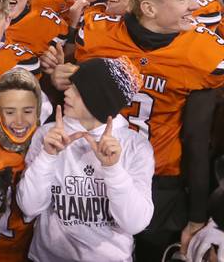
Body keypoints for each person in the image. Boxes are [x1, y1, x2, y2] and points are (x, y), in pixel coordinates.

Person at [71, 0, 224, 259]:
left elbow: (197, 138)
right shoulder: (96, 33)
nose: (194, 4)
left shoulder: (203, 51)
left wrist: (196, 214)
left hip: (160, 178)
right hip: (95, 167)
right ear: (150, 9)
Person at [17, 57, 155, 261]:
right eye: (71, 85)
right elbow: (29, 206)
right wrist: (47, 157)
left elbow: (135, 223)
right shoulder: (49, 134)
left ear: (98, 100)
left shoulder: (135, 146)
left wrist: (113, 169)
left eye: (78, 90)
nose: (67, 92)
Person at [0, 69, 43, 261]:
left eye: (28, 111)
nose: (20, 121)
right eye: (10, 112)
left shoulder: (50, 140)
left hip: (33, 252)